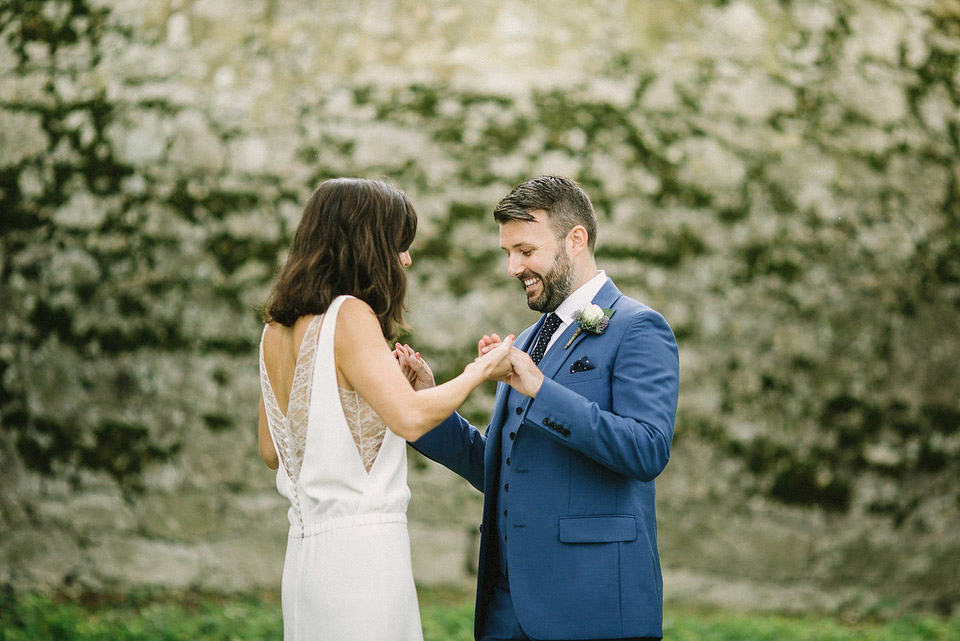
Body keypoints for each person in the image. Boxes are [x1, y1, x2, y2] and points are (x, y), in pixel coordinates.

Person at [406, 175, 679, 641]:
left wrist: (540, 389)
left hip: (592, 607)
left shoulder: (638, 328)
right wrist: (425, 405)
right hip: (507, 611)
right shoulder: (531, 339)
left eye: (526, 251)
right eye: (507, 253)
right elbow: (499, 464)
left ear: (576, 240)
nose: (513, 267)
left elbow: (647, 450)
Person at [257, 177, 514, 641]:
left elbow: (272, 450)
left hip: (306, 559)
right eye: (400, 244)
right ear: (367, 243)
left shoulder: (276, 331)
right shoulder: (350, 315)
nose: (407, 259)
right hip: (363, 557)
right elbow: (410, 417)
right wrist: (479, 371)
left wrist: (383, 402)